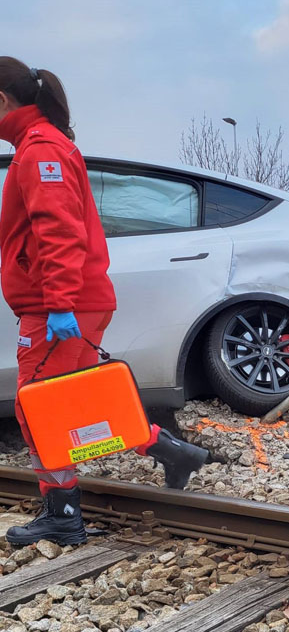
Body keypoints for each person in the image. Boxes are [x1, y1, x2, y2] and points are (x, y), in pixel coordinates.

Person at [0, 57, 208, 547]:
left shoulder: (40, 151)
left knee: (38, 409)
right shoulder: (44, 145)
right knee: (77, 403)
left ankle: (62, 515)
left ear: (2, 101)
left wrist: (58, 304)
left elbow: (59, 232)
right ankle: (168, 450)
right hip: (70, 301)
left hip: (61, 305)